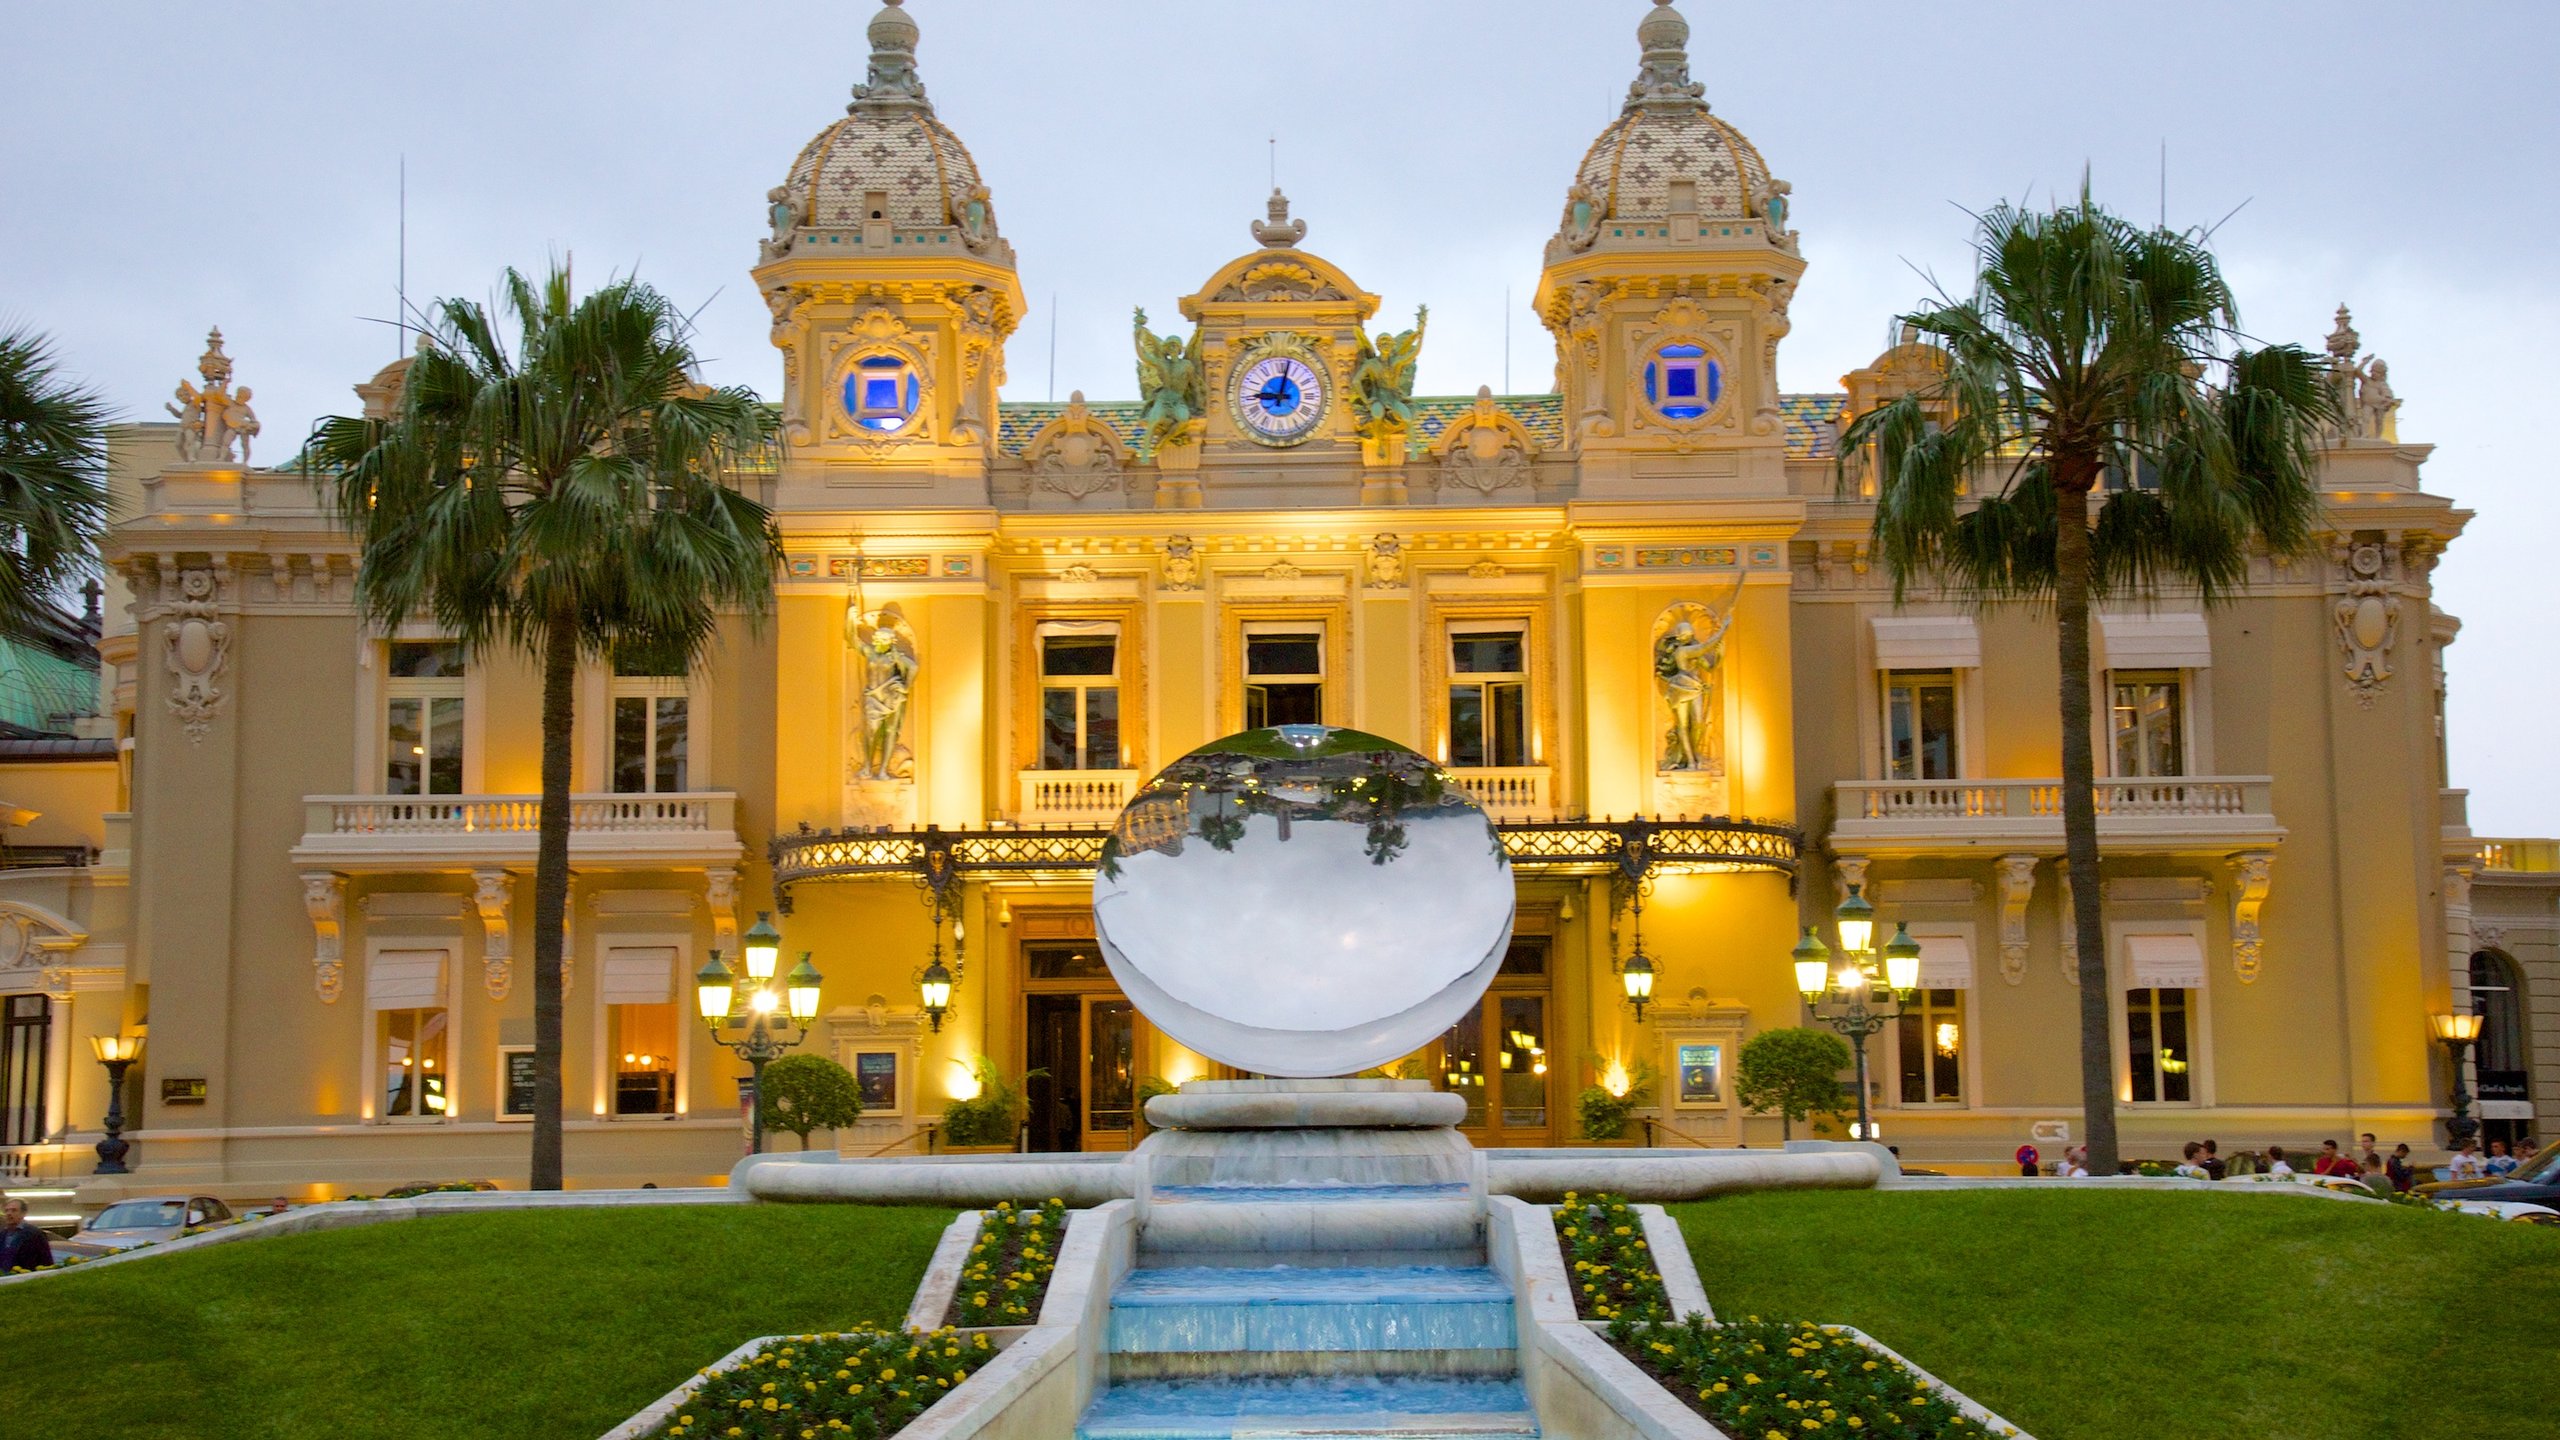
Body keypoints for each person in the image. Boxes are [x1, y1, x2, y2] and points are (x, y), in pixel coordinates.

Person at [0, 1198, 53, 1272]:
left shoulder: (35, 1234)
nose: (9, 1213)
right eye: (6, 1210)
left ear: (23, 1213)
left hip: (26, 1278)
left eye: (14, 1210)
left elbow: (46, 1261)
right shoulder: (2, 1235)